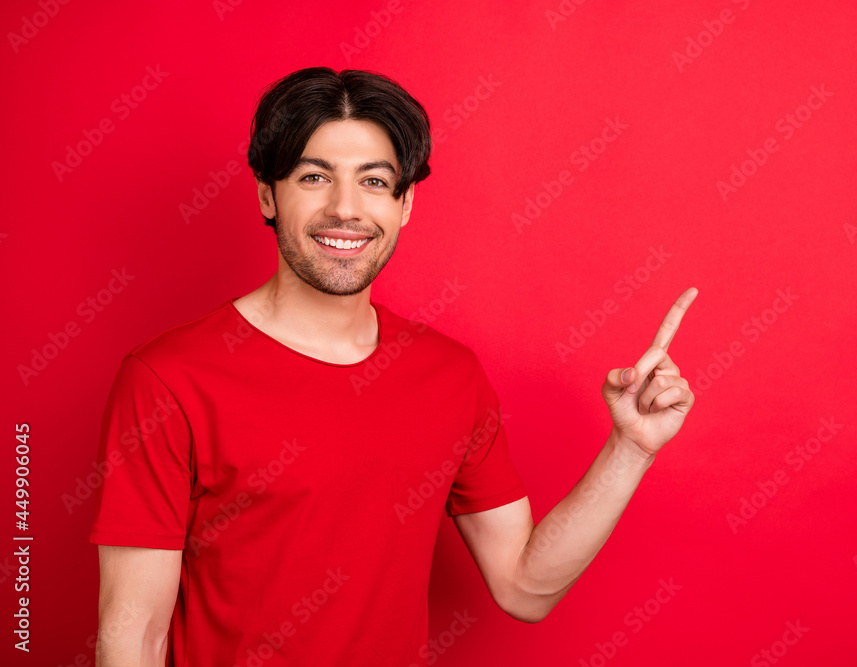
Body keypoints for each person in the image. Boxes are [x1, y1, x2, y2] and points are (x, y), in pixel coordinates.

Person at [88, 66, 698, 666]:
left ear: (405, 203)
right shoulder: (169, 378)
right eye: (313, 176)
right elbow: (133, 639)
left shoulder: (450, 375)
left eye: (375, 182)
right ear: (267, 194)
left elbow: (524, 588)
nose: (345, 209)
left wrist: (630, 449)